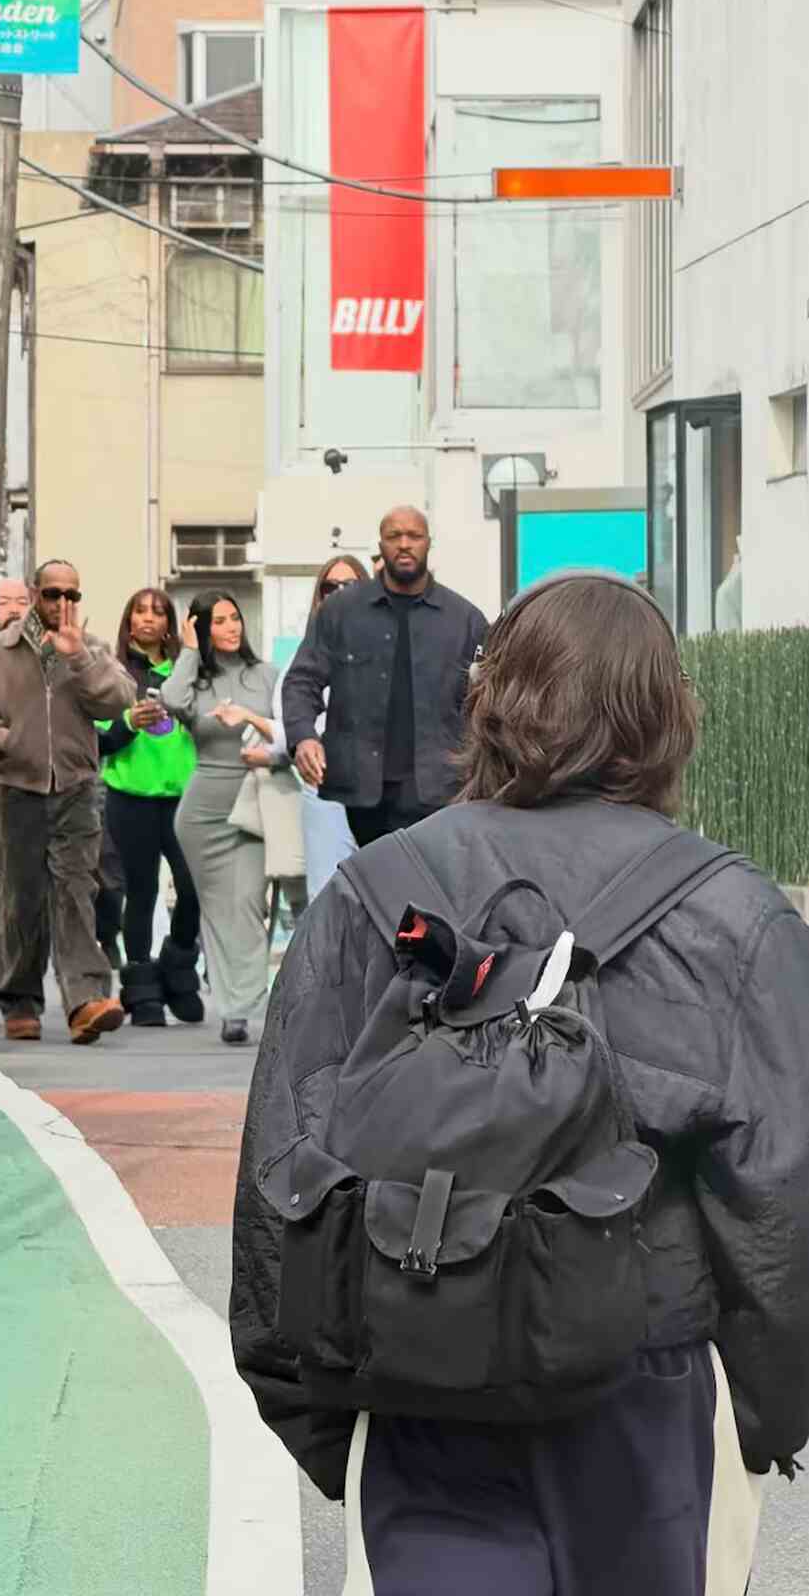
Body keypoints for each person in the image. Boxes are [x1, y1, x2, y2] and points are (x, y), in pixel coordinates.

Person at [232, 574, 809, 1594]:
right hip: (651, 1392)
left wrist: (330, 1417)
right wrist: (766, 1412)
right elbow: (783, 1201)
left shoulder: (371, 895)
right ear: (669, 714)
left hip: (416, 1380)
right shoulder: (736, 916)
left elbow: (283, 1176)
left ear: (488, 702)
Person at [0, 560, 135, 1045]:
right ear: (34, 593)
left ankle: (83, 1000)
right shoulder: (1, 650)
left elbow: (118, 701)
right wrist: (3, 740)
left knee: (76, 891)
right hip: (17, 786)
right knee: (20, 897)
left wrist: (78, 659)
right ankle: (20, 998)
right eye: (53, 593)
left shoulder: (90, 648)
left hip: (75, 786)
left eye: (72, 594)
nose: (62, 604)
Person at [282, 505, 487, 847]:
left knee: (430, 888)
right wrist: (303, 736)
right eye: (394, 536)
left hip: (440, 787)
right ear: (380, 545)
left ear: (428, 544)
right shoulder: (341, 612)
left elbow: (490, 696)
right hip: (363, 791)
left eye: (414, 536)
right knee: (378, 888)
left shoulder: (465, 619)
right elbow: (302, 680)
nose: (404, 544)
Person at [162, 592, 280, 1046]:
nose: (231, 627)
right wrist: (190, 651)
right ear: (201, 628)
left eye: (235, 618)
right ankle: (232, 1011)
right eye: (219, 622)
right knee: (215, 908)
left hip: (254, 798)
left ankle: (249, 997)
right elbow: (173, 700)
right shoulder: (195, 678)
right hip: (202, 809)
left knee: (249, 902)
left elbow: (285, 729)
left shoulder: (266, 675)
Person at [96, 587, 202, 1027]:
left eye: (158, 613)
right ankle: (141, 988)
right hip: (130, 796)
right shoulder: (112, 670)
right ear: (128, 620)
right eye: (139, 611)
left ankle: (177, 966)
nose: (148, 620)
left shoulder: (187, 668)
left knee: (193, 888)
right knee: (141, 892)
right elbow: (99, 738)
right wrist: (126, 723)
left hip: (184, 796)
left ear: (170, 623)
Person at [268, 555, 367, 900]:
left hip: (383, 787)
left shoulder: (386, 648)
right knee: (328, 897)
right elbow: (287, 725)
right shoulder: (307, 654)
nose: (339, 594)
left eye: (349, 586)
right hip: (326, 783)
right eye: (330, 587)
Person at [0, 578, 33, 1024]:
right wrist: (6, 736)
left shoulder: (35, 655)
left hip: (14, 787)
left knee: (7, 892)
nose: (14, 609)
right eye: (4, 601)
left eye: (22, 600)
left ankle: (1, 982)